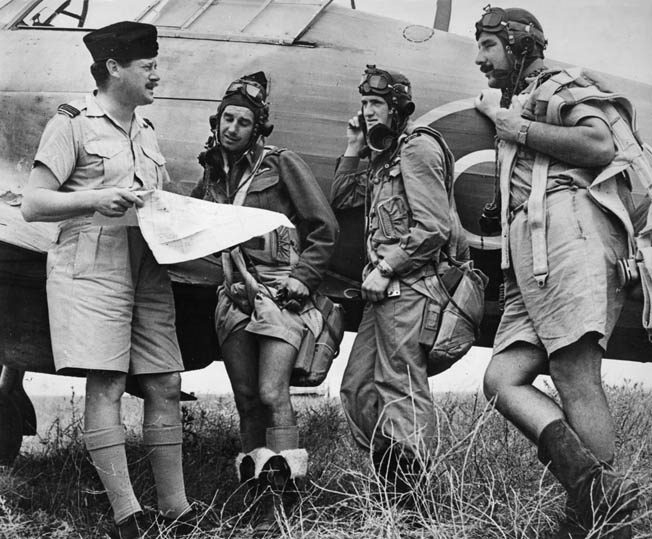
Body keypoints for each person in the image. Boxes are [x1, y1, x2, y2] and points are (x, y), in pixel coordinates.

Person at [21, 21, 195, 539]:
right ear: (114, 68)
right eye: (148, 66)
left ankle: (177, 511)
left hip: (146, 264)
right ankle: (127, 516)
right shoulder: (72, 124)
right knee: (109, 381)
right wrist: (93, 198)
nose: (156, 74)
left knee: (165, 380)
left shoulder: (146, 132)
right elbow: (34, 203)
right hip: (91, 267)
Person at [474, 6, 639, 538]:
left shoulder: (557, 84)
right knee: (502, 379)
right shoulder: (525, 97)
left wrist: (514, 127)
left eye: (489, 46)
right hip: (532, 249)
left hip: (569, 234)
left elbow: (599, 144)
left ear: (520, 45)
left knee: (574, 374)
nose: (480, 59)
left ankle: (602, 519)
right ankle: (596, 491)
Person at [190, 71, 339, 536]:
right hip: (233, 296)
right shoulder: (211, 173)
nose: (232, 128)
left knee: (274, 394)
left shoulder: (282, 163)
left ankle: (285, 507)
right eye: (227, 119)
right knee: (248, 400)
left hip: (279, 295)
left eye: (243, 121)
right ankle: (253, 503)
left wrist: (302, 279)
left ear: (258, 128)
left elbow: (323, 228)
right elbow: (195, 224)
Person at [331, 65, 468, 499]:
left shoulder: (418, 148)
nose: (368, 111)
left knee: (400, 387)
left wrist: (387, 267)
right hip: (383, 294)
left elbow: (433, 227)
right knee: (356, 389)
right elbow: (342, 199)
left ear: (398, 108)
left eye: (376, 104)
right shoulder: (383, 157)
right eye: (365, 103)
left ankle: (413, 502)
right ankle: (396, 483)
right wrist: (355, 145)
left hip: (411, 287)